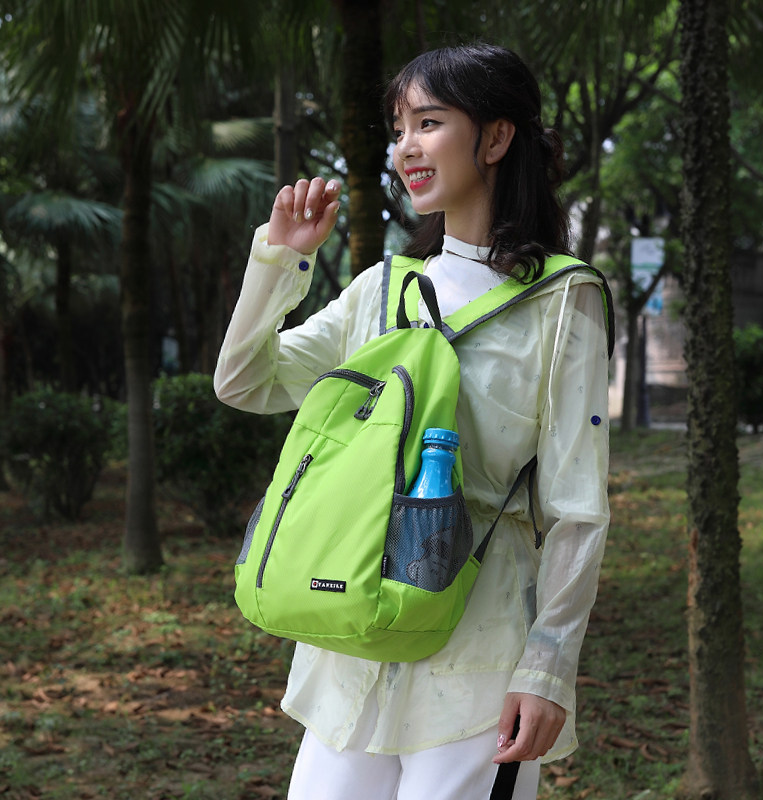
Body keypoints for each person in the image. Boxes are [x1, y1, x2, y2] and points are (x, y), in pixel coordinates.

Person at [214, 43, 611, 800]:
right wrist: (279, 262)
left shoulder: (564, 302)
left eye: (428, 123)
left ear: (496, 138)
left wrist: (547, 668)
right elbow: (244, 381)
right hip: (351, 650)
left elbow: (576, 508)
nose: (405, 149)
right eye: (399, 130)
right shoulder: (380, 290)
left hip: (480, 661)